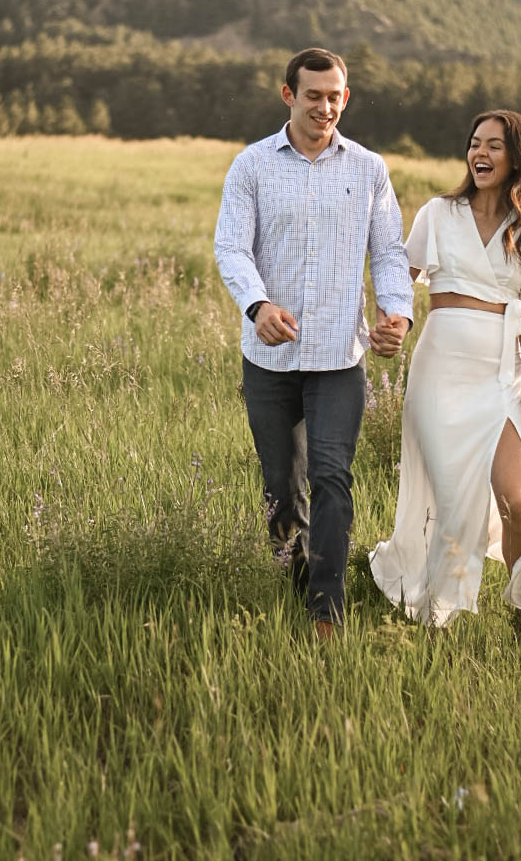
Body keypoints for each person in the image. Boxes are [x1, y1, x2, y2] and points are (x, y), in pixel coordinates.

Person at [214, 47, 413, 639]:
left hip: (337, 357)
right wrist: (258, 306)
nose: (326, 107)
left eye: (335, 96)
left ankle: (327, 608)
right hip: (269, 358)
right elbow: (231, 247)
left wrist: (397, 313)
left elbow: (390, 252)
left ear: (345, 98)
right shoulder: (251, 167)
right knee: (282, 487)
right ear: (288, 96)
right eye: (314, 96)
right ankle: (298, 573)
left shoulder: (370, 170)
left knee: (332, 476)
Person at [370, 110, 521, 650]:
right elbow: (400, 278)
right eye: (474, 143)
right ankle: (439, 612)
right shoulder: (439, 213)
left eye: (493, 146)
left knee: (517, 501)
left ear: (517, 157)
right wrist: (391, 319)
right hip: (439, 369)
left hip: (500, 377)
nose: (479, 153)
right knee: (454, 503)